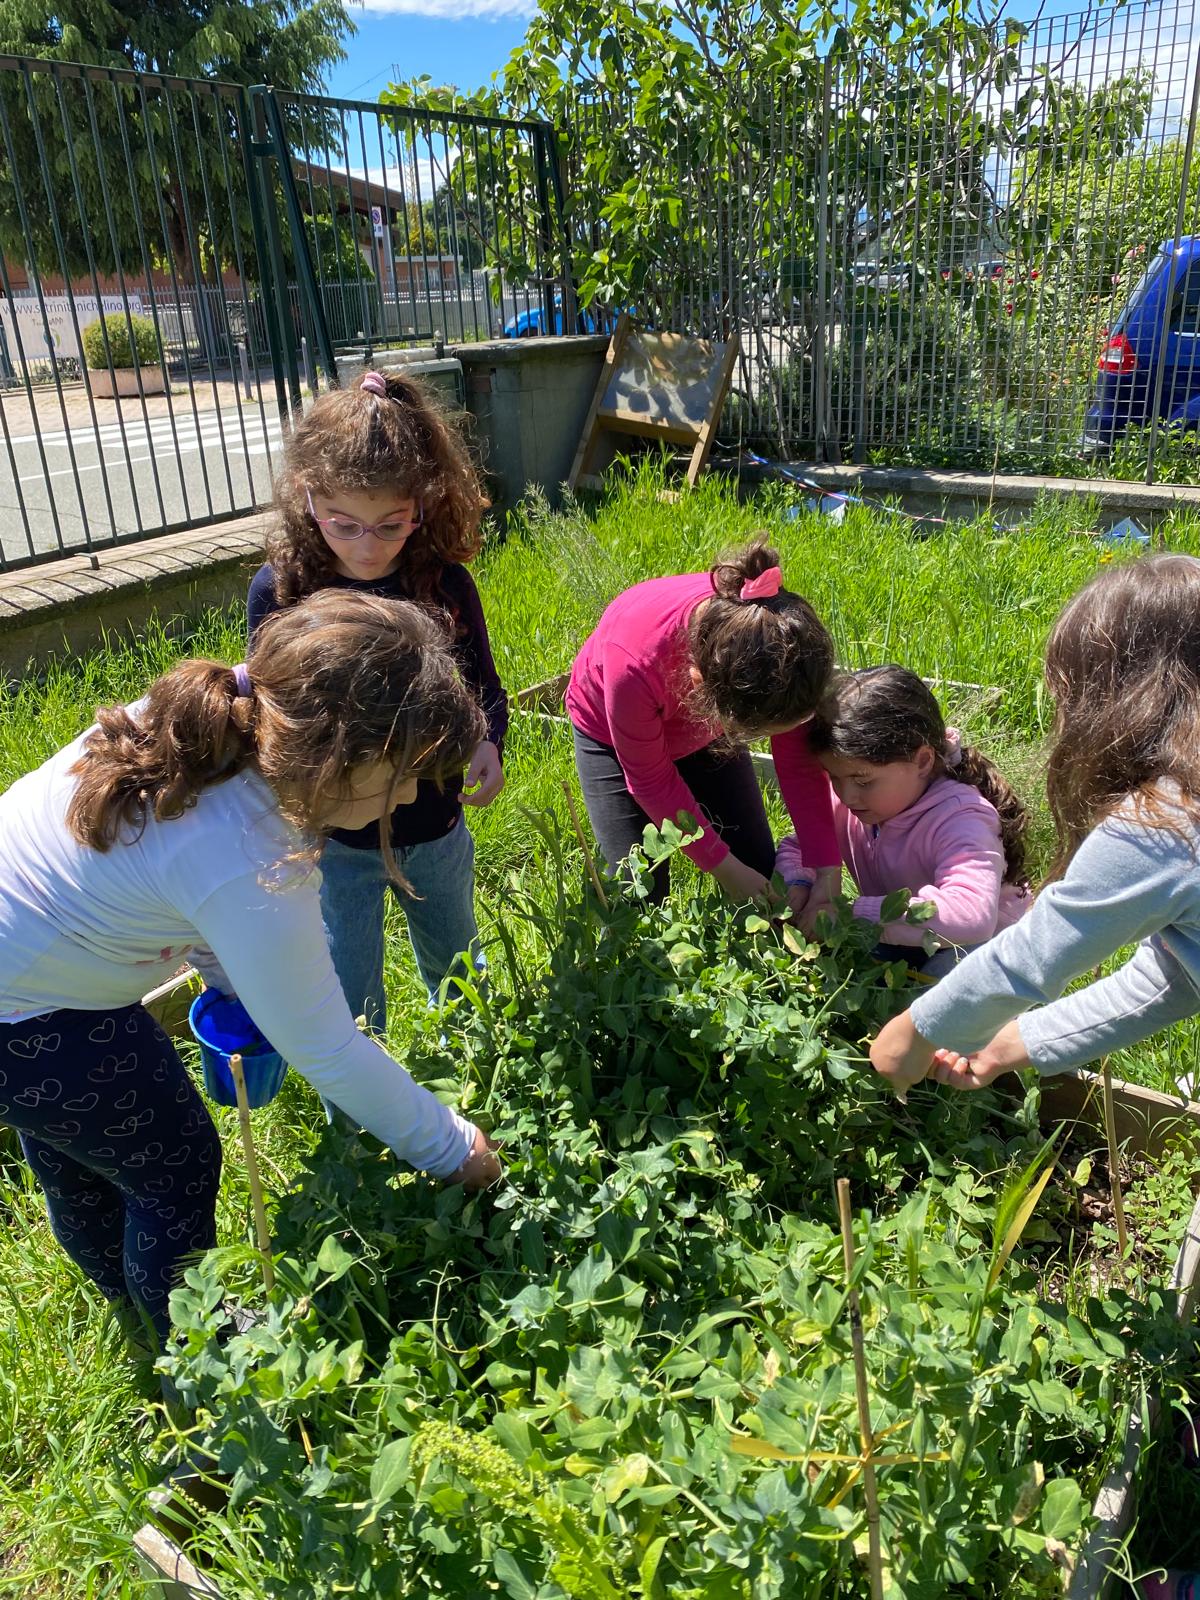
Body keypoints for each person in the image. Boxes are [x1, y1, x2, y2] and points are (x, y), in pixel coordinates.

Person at [0, 591, 500, 1346]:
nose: (409, 799)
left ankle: (131, 1307)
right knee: (176, 1167)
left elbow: (172, 881)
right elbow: (327, 1048)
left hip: (29, 979)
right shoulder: (255, 853)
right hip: (29, 1022)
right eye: (404, 779)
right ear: (342, 761)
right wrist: (455, 1148)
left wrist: (234, 983)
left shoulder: (227, 713)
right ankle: (196, 1357)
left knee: (88, 1159)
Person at [869, 554, 1200, 1098]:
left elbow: (1036, 954)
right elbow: (1175, 975)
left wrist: (913, 1032)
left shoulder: (1164, 821)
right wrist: (1005, 1047)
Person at [248, 368, 507, 1032]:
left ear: (424, 504)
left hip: (436, 824)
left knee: (458, 970)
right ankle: (360, 1119)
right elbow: (272, 716)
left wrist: (486, 742)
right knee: (347, 988)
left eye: (392, 525)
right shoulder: (282, 591)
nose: (368, 547)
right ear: (308, 500)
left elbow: (482, 687)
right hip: (334, 842)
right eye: (345, 525)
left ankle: (475, 1078)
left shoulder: (443, 584)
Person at [566, 539, 840, 910]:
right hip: (610, 735)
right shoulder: (635, 664)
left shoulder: (776, 644)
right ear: (702, 689)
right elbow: (651, 780)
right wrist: (724, 870)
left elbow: (799, 763)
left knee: (758, 864)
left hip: (707, 707)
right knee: (637, 893)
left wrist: (826, 867)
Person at [775, 665, 1029, 978]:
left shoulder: (961, 816)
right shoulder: (852, 799)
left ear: (922, 761)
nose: (847, 795)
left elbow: (971, 917)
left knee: (945, 995)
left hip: (976, 948)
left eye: (863, 781)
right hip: (901, 940)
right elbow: (804, 845)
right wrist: (798, 883)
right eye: (835, 778)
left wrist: (847, 914)